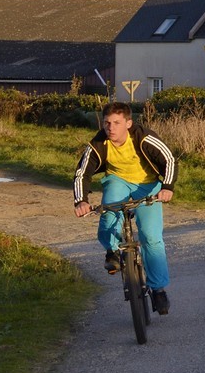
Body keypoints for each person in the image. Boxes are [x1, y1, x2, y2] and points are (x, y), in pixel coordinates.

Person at [73, 102, 177, 315]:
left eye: (116, 123)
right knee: (109, 210)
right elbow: (82, 173)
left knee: (151, 237)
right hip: (117, 181)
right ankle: (112, 252)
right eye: (107, 123)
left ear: (128, 123)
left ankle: (158, 289)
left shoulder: (144, 138)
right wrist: (81, 201)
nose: (110, 128)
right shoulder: (98, 143)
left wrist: (167, 187)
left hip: (147, 185)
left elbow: (169, 159)